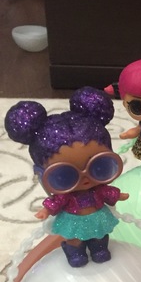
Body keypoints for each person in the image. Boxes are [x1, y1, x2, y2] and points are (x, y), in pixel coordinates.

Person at [5, 88, 128, 267]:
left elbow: (106, 192)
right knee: (74, 239)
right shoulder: (66, 196)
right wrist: (46, 210)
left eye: (99, 166)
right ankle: (75, 252)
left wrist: (118, 195)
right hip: (73, 219)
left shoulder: (97, 190)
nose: (85, 179)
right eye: (64, 175)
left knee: (100, 235)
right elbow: (57, 201)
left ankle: (99, 249)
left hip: (97, 217)